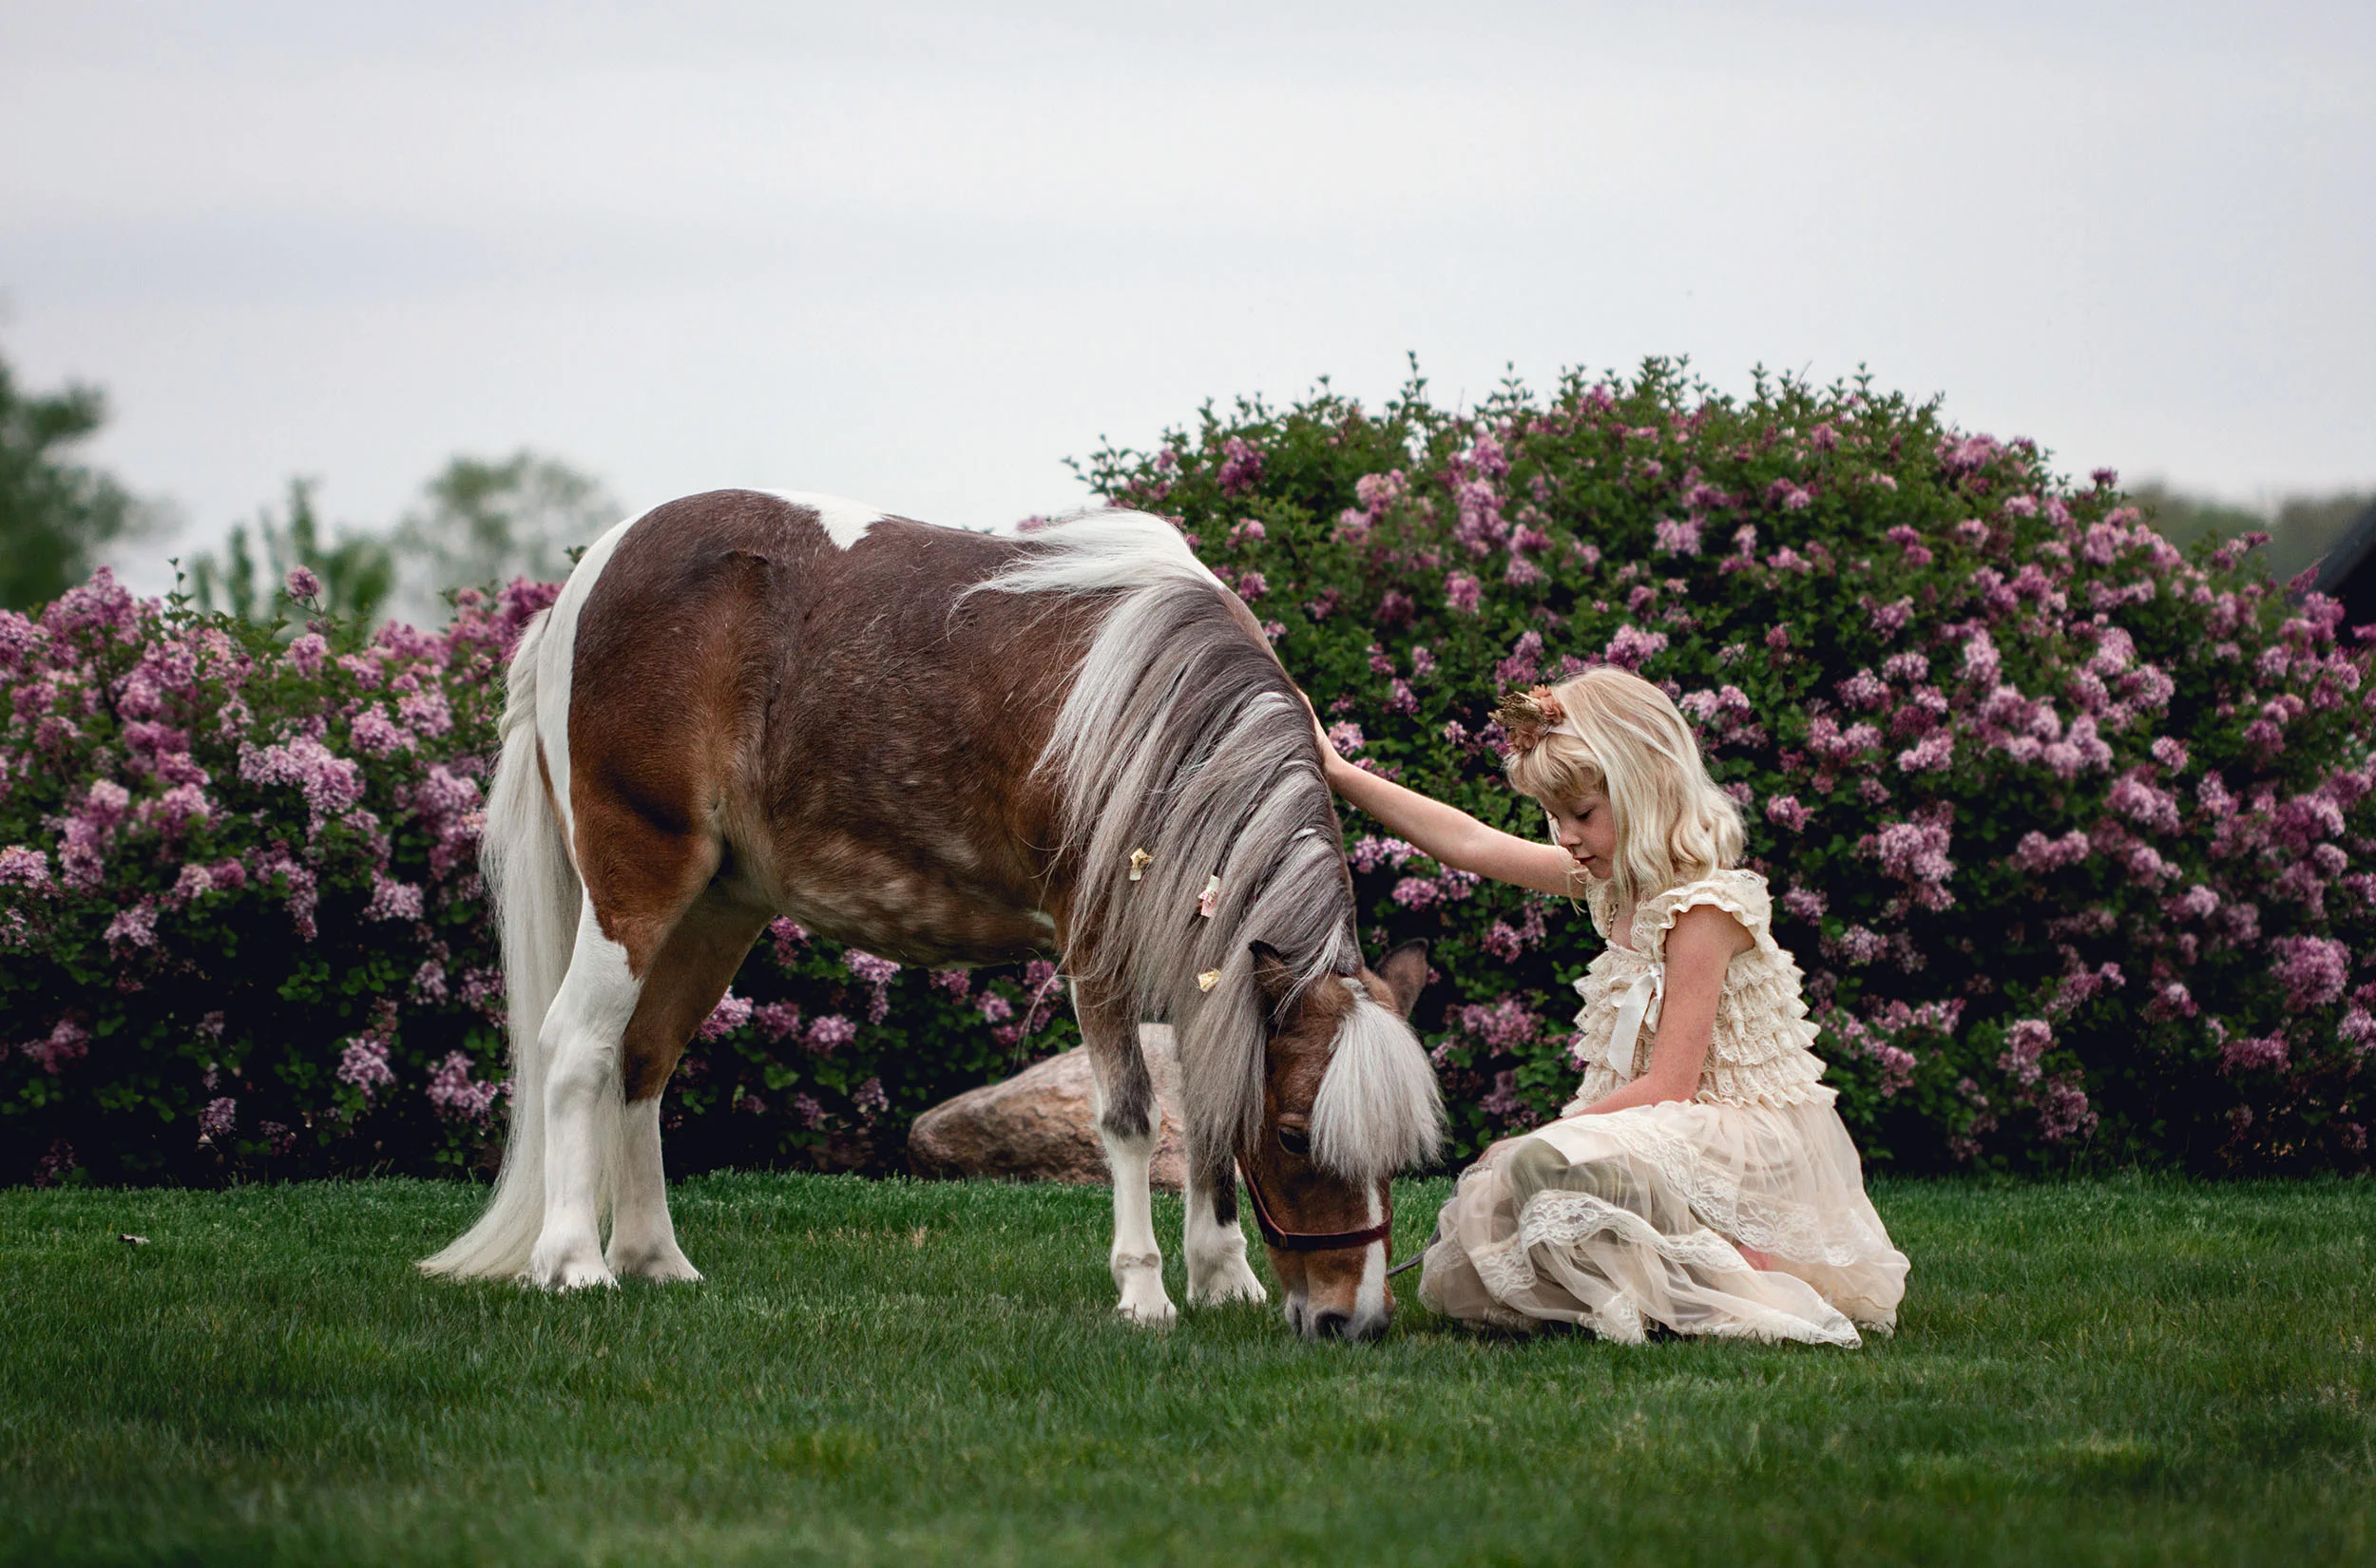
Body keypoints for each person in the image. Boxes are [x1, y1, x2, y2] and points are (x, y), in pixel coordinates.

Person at [1313, 667, 1908, 1346]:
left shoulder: (1703, 909)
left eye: (1584, 815)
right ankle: (1663, 1276)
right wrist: (1337, 770)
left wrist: (1535, 1141)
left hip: (1732, 1134)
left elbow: (1673, 1086)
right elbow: (1470, 845)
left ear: (1645, 789)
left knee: (1533, 1161)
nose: (1566, 835)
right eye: (1555, 817)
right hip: (1659, 1122)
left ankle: (1738, 1269)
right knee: (1514, 1197)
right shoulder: (1613, 881)